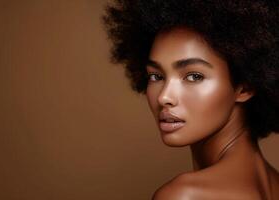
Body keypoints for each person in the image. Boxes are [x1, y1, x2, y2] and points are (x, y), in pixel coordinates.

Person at [102, 0, 279, 199]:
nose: (164, 97)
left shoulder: (185, 195)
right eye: (156, 76)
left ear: (245, 87)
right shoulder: (273, 184)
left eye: (194, 76)